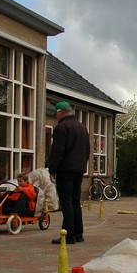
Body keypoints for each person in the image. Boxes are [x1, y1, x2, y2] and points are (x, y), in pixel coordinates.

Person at [48, 101, 90, 244]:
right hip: (79, 169)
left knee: (66, 203)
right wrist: (82, 165)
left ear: (60, 112)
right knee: (75, 202)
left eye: (56, 114)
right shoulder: (82, 127)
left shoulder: (61, 127)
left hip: (65, 170)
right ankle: (79, 233)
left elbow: (57, 151)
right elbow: (87, 150)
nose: (56, 116)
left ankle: (69, 235)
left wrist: (52, 169)